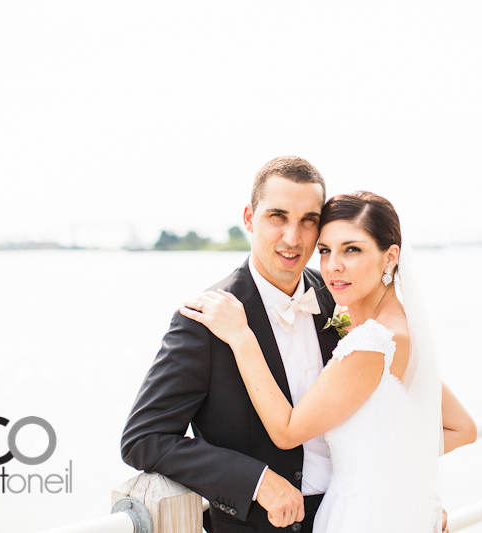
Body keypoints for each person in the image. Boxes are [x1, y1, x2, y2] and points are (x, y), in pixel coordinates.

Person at [181, 191, 477, 532]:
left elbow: (287, 431)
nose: (333, 265)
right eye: (324, 250)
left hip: (359, 517)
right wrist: (401, 488)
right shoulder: (400, 331)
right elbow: (462, 428)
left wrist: (242, 338)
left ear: (390, 256)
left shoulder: (372, 343)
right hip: (390, 512)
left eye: (352, 249)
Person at [121, 156, 340, 533]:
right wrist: (255, 480)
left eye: (309, 220)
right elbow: (144, 437)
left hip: (351, 515)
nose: (293, 237)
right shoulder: (202, 319)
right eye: (277, 217)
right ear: (249, 218)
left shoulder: (339, 298)